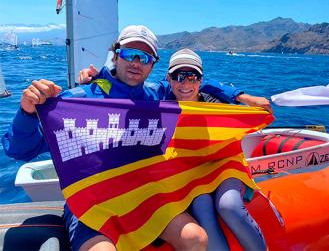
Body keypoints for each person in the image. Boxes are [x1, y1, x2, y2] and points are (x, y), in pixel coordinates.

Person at [2, 25, 271, 251]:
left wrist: (242, 97)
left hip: (144, 197)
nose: (135, 62)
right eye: (129, 53)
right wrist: (27, 111)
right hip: (93, 204)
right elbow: (19, 150)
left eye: (144, 58)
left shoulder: (155, 96)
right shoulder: (81, 101)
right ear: (115, 55)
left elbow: (196, 82)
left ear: (153, 65)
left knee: (196, 238)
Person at [165, 48, 267, 250]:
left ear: (200, 80)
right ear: (169, 79)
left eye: (192, 77)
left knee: (228, 206)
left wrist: (248, 100)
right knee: (201, 204)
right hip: (190, 173)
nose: (185, 83)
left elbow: (239, 115)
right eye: (179, 76)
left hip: (224, 165)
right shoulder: (163, 105)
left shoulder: (216, 105)